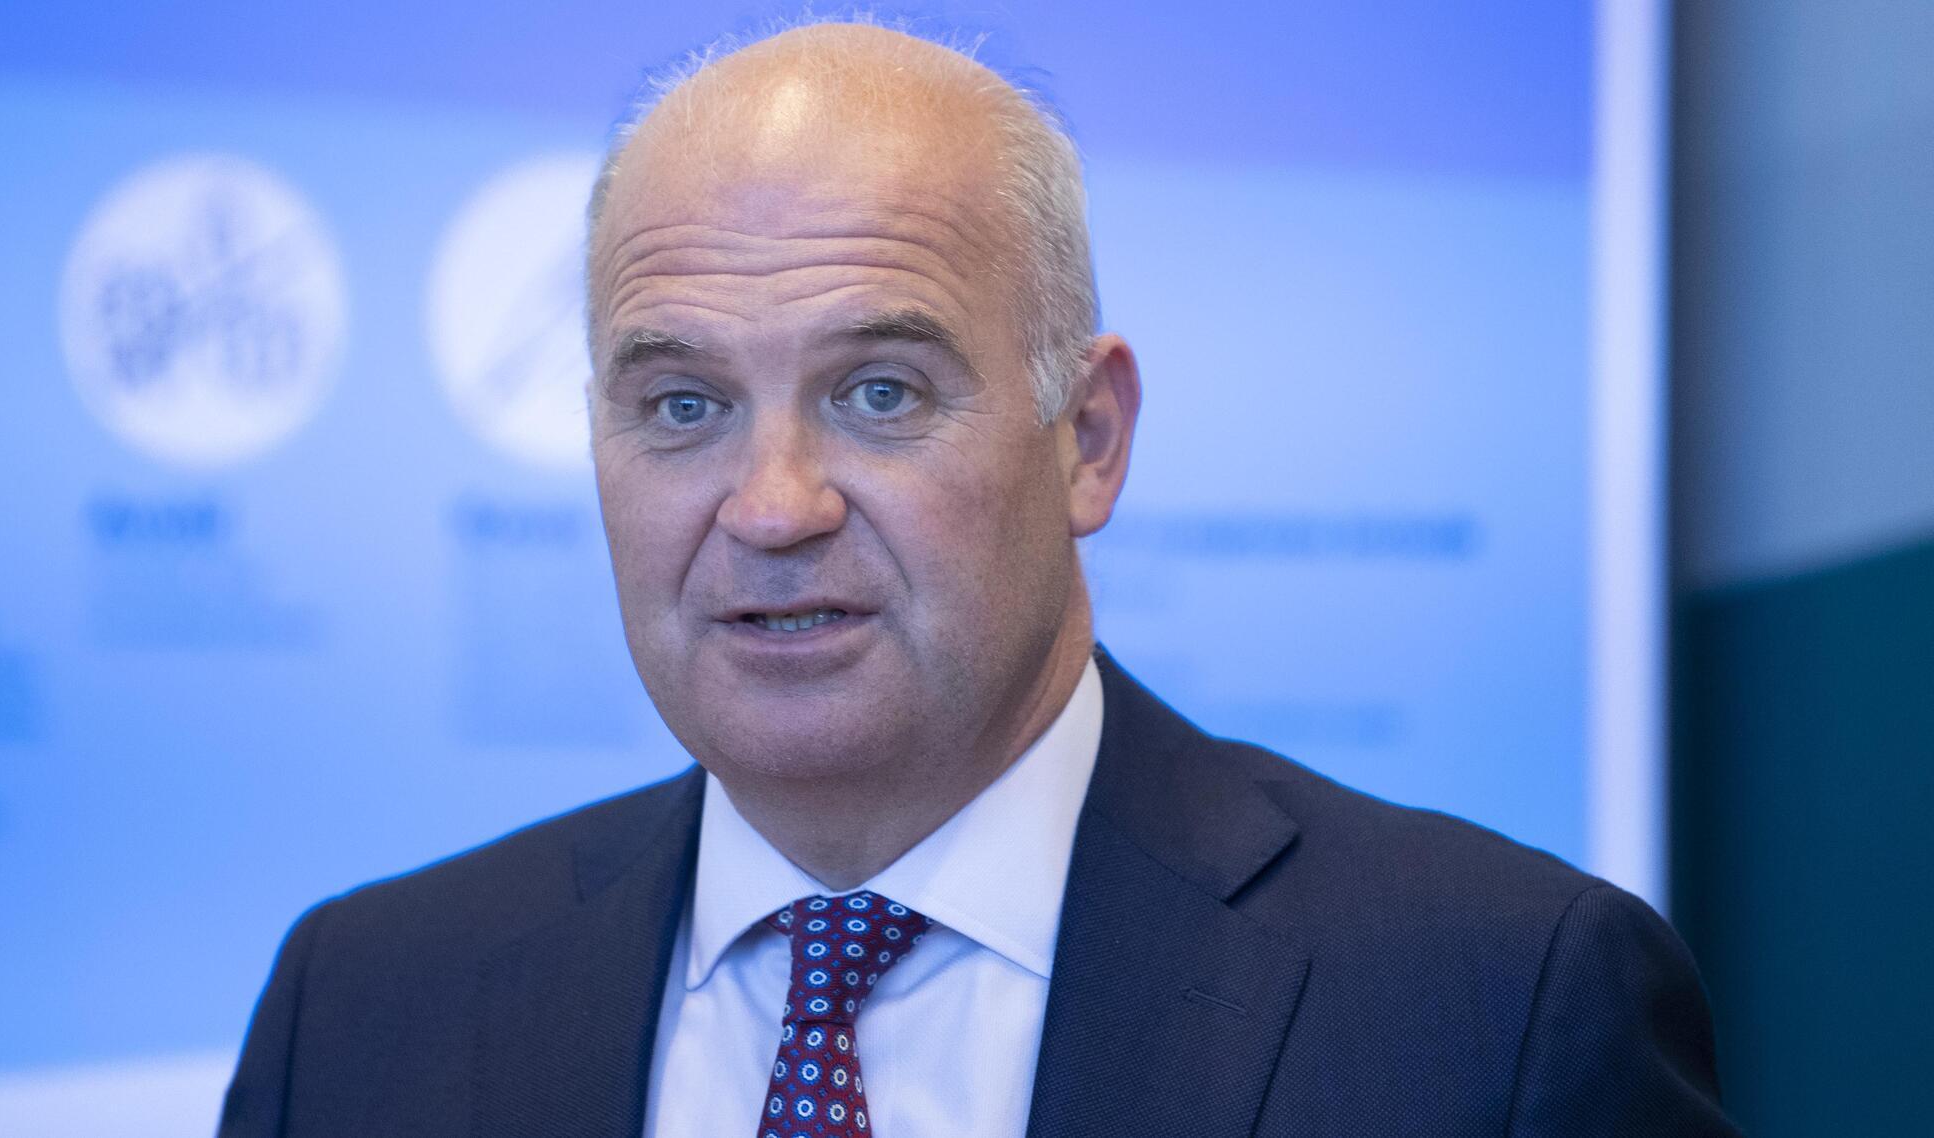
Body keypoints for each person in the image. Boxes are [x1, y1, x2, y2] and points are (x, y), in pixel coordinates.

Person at [219, 21, 1735, 1138]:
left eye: (880, 392)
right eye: (682, 405)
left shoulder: (1498, 1010)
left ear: (1089, 438)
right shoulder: (360, 1012)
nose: (773, 507)